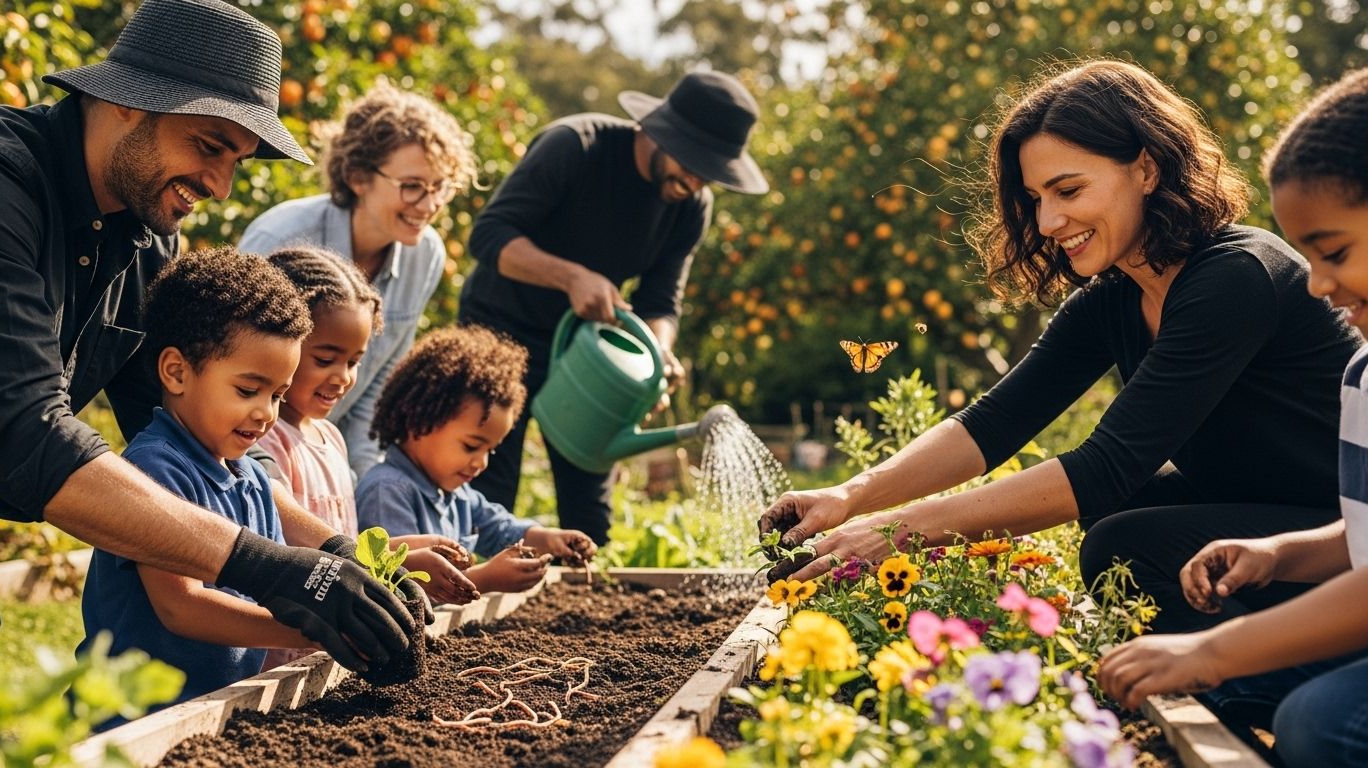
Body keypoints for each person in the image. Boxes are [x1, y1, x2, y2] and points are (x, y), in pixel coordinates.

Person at [759, 60, 1361, 638]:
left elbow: (1105, 465)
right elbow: (991, 425)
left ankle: (1261, 685)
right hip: (1266, 511)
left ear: (1146, 170)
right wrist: (849, 496)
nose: (1047, 221)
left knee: (1119, 543)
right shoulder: (1119, 294)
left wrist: (896, 531)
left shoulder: (1237, 276)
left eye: (1067, 189)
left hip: (1340, 537)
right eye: (1035, 198)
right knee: (1123, 512)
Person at [0, 0, 415, 670]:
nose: (221, 185)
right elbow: (26, 434)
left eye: (239, 159)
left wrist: (333, 554)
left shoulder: (144, 241)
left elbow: (195, 427)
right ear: (126, 102)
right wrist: (267, 569)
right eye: (208, 145)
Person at [1099, 68, 1368, 766]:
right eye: (1307, 256)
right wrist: (1281, 555)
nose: (1317, 283)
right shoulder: (1364, 374)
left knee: (1318, 724)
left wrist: (1211, 651)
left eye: (1335, 252)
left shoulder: (1235, 276)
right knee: (1229, 698)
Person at [459, 70, 769, 545]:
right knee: (488, 483)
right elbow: (489, 236)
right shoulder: (575, 147)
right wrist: (571, 277)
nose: (698, 179)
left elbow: (661, 299)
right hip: (500, 330)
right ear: (660, 132)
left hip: (589, 354)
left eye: (710, 170)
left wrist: (658, 356)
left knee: (590, 511)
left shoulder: (691, 205)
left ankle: (576, 599)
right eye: (693, 162)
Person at [79, 248, 323, 721]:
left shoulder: (251, 475)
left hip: (218, 711)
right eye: (247, 390)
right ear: (176, 372)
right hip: (132, 722)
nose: (266, 413)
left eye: (278, 395)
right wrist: (310, 629)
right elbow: (181, 608)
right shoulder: (155, 470)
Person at [240, 84, 477, 479]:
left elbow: (378, 381)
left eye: (441, 188)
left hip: (321, 448)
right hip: (254, 446)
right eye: (413, 186)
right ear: (358, 177)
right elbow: (233, 369)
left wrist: (360, 478)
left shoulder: (427, 254)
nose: (431, 205)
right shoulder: (279, 239)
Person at [258, 245, 477, 615]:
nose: (343, 377)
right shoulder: (264, 438)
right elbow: (286, 549)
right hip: (288, 639)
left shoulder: (332, 439)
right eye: (325, 359)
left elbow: (341, 546)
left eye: (354, 361)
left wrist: (403, 552)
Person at [356, 326, 598, 594]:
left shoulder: (458, 493)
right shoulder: (388, 490)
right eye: (471, 446)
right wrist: (483, 579)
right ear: (418, 422)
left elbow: (498, 529)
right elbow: (399, 589)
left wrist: (549, 539)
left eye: (490, 451)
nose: (481, 462)